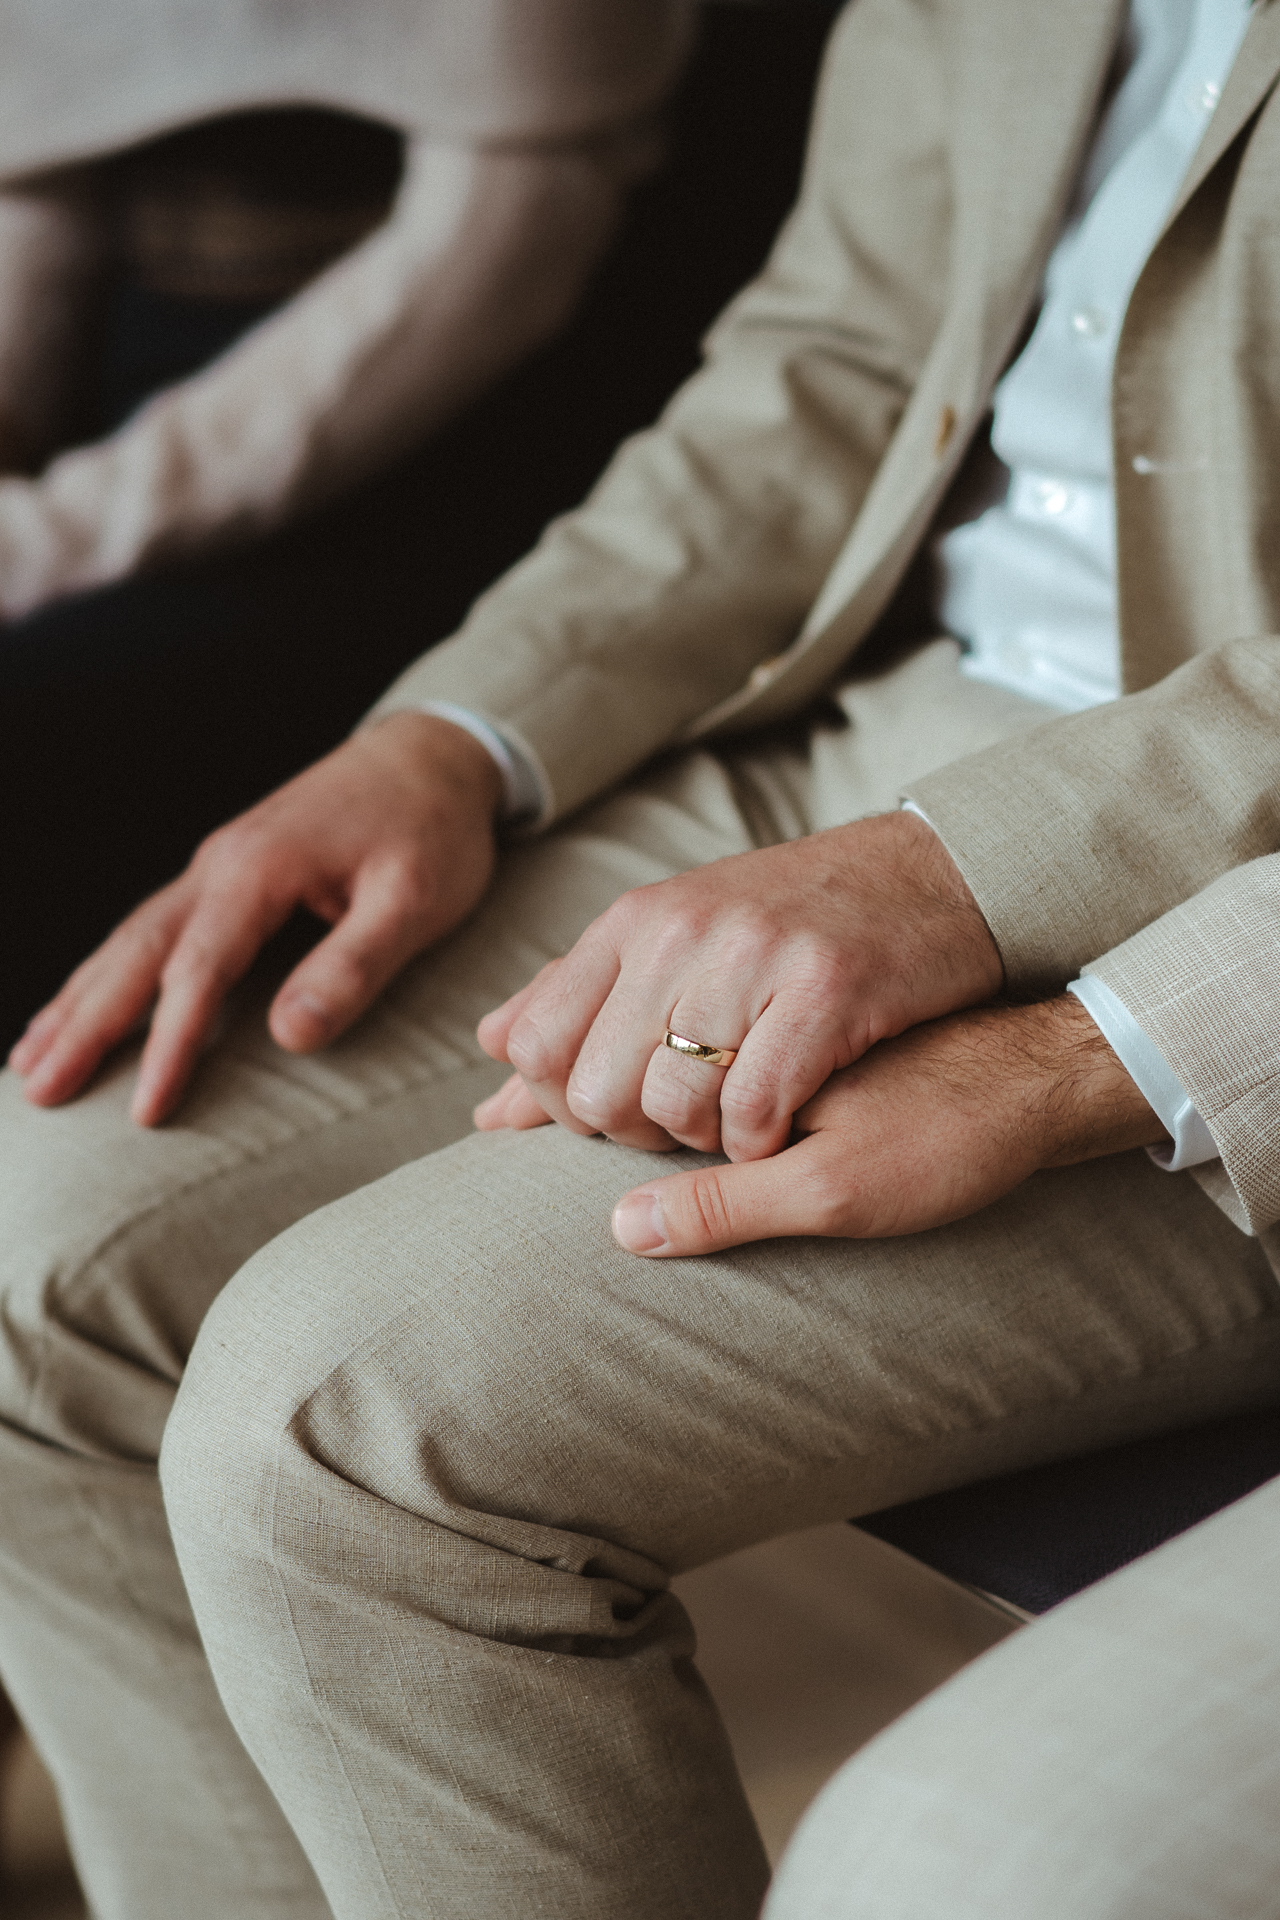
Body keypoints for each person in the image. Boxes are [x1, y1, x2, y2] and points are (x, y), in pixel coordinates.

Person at [2, 0, 1279, 1915]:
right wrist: (452, 735)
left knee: (338, 1435)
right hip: (880, 720)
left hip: (1214, 886)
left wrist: (958, 883)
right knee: (29, 1254)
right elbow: (838, 348)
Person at [0, 0, 695, 1042]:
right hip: (117, 424)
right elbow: (42, 157)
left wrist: (45, 540)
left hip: (422, 459)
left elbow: (500, 249)